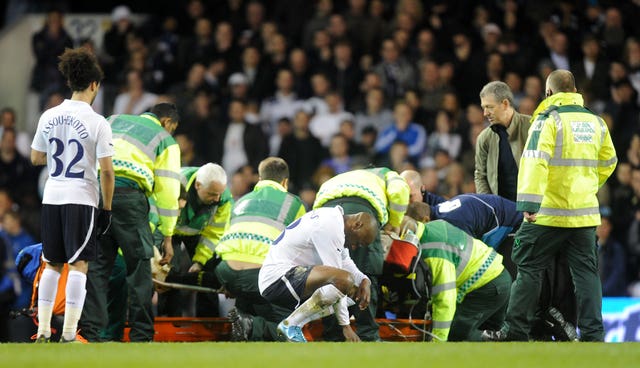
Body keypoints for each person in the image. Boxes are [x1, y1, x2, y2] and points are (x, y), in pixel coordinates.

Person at [484, 70, 617, 342]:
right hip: (584, 215)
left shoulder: (548, 121)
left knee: (529, 268)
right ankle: (593, 336)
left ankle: (516, 331)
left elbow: (534, 162)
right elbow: (609, 162)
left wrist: (530, 203)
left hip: (547, 214)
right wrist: (586, 187)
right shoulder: (597, 122)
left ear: (548, 93)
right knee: (587, 275)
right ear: (575, 90)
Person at [30, 47, 114, 343]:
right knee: (79, 265)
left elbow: (35, 157)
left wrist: (55, 157)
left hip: (52, 197)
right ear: (94, 85)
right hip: (81, 198)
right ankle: (67, 334)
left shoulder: (48, 115)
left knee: (52, 263)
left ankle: (41, 330)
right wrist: (107, 208)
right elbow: (106, 171)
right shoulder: (98, 122)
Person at [80, 103, 181, 342]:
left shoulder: (112, 120)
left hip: (95, 194)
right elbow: (167, 193)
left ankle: (89, 334)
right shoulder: (165, 139)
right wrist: (167, 236)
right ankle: (141, 336)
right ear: (167, 122)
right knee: (138, 270)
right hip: (129, 198)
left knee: (96, 269)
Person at [214, 157, 306, 341]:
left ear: (260, 179)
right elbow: (300, 252)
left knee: (245, 317)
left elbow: (223, 241)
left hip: (227, 272)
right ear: (285, 182)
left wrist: (230, 281)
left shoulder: (240, 202)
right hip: (260, 276)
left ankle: (244, 326)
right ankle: (252, 325)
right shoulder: (294, 204)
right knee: (289, 335)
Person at [313, 167, 410, 341]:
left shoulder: (340, 176)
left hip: (324, 212)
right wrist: (394, 222)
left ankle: (333, 335)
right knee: (366, 271)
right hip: (361, 209)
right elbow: (399, 190)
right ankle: (368, 335)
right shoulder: (386, 174)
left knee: (331, 275)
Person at [258, 206, 378, 342]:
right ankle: (291, 325)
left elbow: (346, 262)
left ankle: (293, 325)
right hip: (277, 279)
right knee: (345, 282)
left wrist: (364, 280)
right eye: (358, 242)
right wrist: (346, 326)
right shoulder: (329, 227)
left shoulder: (334, 221)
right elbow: (340, 279)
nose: (354, 247)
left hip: (286, 278)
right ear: (357, 225)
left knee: (353, 292)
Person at [399, 215, 512, 342]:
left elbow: (445, 299)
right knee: (486, 331)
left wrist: (437, 340)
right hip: (498, 277)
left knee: (454, 333)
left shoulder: (434, 254)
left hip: (487, 287)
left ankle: (497, 339)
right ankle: (497, 339)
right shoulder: (433, 227)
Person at [152, 163, 232, 317]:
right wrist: (162, 245)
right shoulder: (175, 185)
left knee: (207, 272)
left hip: (199, 233)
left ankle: (208, 323)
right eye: (212, 194)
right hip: (168, 229)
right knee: (167, 273)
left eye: (219, 193)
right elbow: (159, 220)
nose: (217, 199)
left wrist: (200, 261)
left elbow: (214, 233)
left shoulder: (223, 198)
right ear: (198, 185)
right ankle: (170, 321)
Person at [475, 81, 531, 201]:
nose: (485, 113)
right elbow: (480, 175)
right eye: (483, 108)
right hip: (502, 213)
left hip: (533, 209)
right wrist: (490, 206)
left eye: (489, 107)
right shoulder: (484, 138)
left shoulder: (532, 127)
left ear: (505, 104)